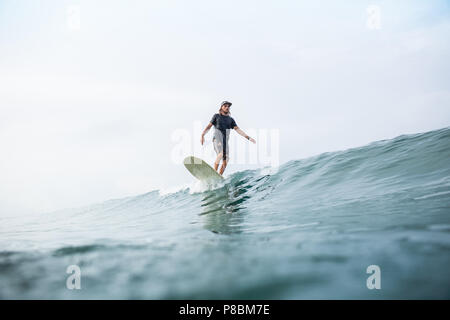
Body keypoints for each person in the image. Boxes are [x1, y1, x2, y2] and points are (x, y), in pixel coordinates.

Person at [200, 101, 256, 175]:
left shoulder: (231, 119)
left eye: (228, 106)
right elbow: (209, 126)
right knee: (221, 154)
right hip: (217, 138)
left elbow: (238, 130)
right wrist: (202, 135)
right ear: (221, 107)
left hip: (225, 142)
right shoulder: (216, 116)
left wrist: (248, 137)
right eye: (225, 106)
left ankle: (219, 176)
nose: (227, 107)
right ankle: (214, 172)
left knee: (226, 159)